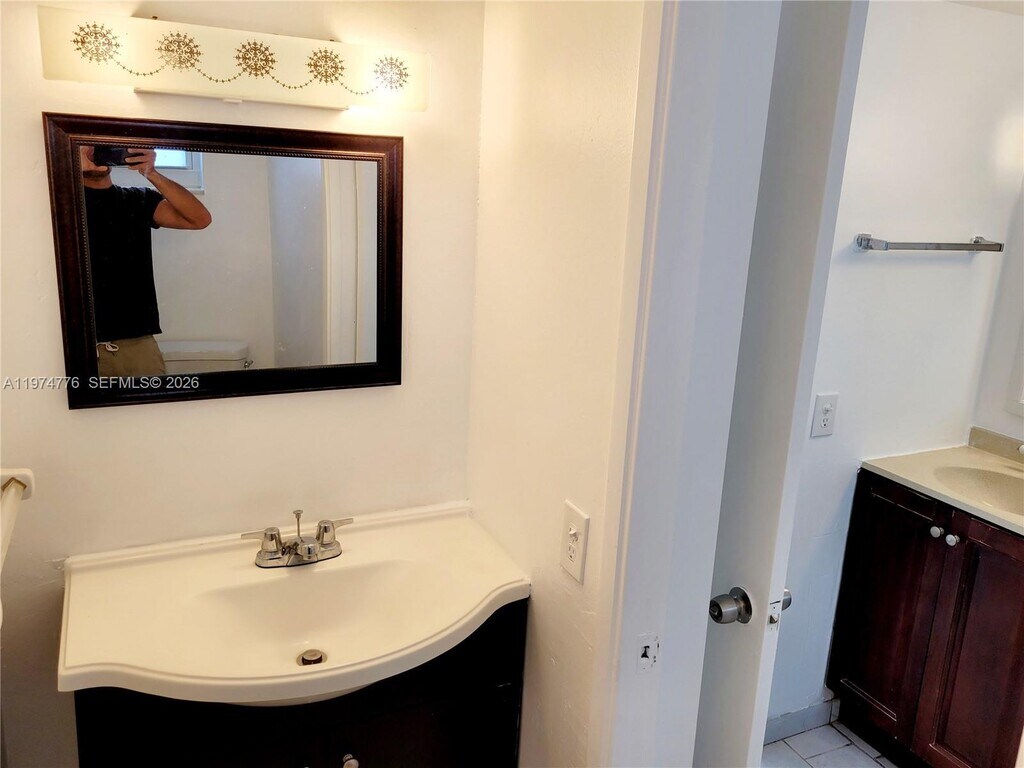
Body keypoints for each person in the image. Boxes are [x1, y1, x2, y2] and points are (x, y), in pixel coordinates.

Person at [80, 146, 212, 377]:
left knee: (154, 402)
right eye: (84, 145)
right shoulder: (61, 205)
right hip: (78, 344)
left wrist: (151, 173)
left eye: (97, 144)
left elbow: (200, 219)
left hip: (138, 343)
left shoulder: (137, 199)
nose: (93, 151)